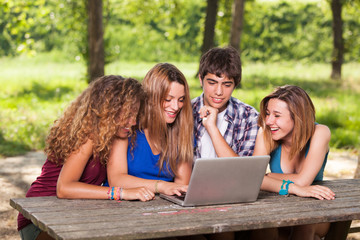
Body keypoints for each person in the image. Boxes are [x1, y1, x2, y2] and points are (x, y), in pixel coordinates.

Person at [17, 76, 152, 240]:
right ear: (108, 110)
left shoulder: (111, 135)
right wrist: (121, 193)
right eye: (128, 114)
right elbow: (64, 188)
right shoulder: (88, 135)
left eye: (135, 114)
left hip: (72, 215)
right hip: (41, 218)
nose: (133, 121)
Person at [252, 85, 335, 240]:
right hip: (276, 206)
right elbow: (253, 178)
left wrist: (269, 177)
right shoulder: (266, 132)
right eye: (268, 113)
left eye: (277, 115)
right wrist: (293, 188)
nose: (269, 121)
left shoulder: (320, 132)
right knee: (262, 227)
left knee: (306, 224)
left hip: (313, 208)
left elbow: (304, 181)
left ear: (298, 117)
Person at [107, 63, 193, 196]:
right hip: (120, 205)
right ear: (151, 98)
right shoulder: (129, 126)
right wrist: (161, 186)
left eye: (181, 100)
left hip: (161, 204)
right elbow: (116, 179)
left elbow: (181, 186)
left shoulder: (182, 131)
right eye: (168, 99)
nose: (176, 107)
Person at [192, 46, 258, 160]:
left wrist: (212, 128)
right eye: (212, 83)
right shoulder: (185, 111)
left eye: (227, 85)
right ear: (200, 79)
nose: (219, 92)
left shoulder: (249, 117)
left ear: (235, 84)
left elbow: (241, 172)